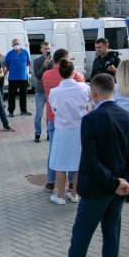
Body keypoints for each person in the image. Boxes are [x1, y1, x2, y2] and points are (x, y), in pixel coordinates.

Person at [38, 73, 129, 257]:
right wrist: (127, 181)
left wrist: (114, 182)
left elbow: (90, 159)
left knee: (81, 235)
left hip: (98, 189)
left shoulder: (91, 119)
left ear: (94, 92)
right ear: (113, 91)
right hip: (119, 191)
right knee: (112, 234)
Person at [47, 59, 90, 205]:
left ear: (60, 73)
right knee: (77, 163)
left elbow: (54, 110)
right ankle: (75, 194)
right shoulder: (83, 88)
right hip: (79, 129)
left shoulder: (55, 92)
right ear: (74, 72)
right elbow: (91, 101)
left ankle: (60, 196)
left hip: (62, 130)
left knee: (60, 164)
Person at [42, 49, 85, 193]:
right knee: (74, 153)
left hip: (53, 118)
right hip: (73, 121)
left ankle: (50, 182)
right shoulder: (77, 77)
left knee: (54, 152)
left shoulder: (46, 75)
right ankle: (73, 185)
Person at [5, 38, 32, 117]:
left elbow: (28, 63)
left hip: (23, 78)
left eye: (17, 44)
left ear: (20, 44)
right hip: (12, 78)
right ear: (12, 45)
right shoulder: (9, 54)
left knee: (23, 95)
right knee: (11, 96)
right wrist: (10, 70)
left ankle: (23, 111)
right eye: (14, 44)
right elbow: (6, 64)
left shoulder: (25, 53)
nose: (16, 45)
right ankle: (11, 112)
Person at [32, 42, 53, 142]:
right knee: (39, 115)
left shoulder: (53, 61)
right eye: (45, 49)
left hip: (51, 91)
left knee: (50, 114)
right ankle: (37, 134)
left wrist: (50, 64)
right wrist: (44, 65)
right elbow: (37, 75)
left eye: (48, 48)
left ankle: (49, 133)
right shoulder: (36, 61)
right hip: (40, 91)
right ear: (41, 50)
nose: (47, 50)